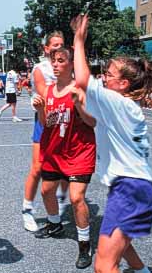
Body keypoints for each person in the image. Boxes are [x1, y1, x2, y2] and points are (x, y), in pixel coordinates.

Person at [73, 14, 152, 273]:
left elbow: (83, 79)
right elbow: (94, 122)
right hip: (136, 187)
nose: (104, 78)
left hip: (130, 188)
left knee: (104, 265)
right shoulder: (121, 107)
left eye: (108, 75)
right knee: (121, 245)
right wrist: (79, 105)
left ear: (123, 84)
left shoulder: (120, 103)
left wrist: (79, 39)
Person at [32, 47, 96, 269]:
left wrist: (78, 104)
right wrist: (41, 110)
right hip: (54, 151)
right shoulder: (48, 91)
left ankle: (84, 244)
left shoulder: (80, 89)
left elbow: (92, 122)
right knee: (46, 191)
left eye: (60, 61)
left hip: (79, 152)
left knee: (76, 198)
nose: (56, 65)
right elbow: (46, 123)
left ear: (71, 64)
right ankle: (55, 223)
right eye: (54, 61)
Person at [21, 31, 68, 233]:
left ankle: (59, 202)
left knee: (65, 167)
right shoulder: (41, 69)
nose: (58, 48)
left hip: (64, 120)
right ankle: (27, 210)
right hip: (45, 119)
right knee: (38, 168)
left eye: (62, 44)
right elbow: (47, 95)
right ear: (46, 48)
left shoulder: (67, 66)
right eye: (54, 45)